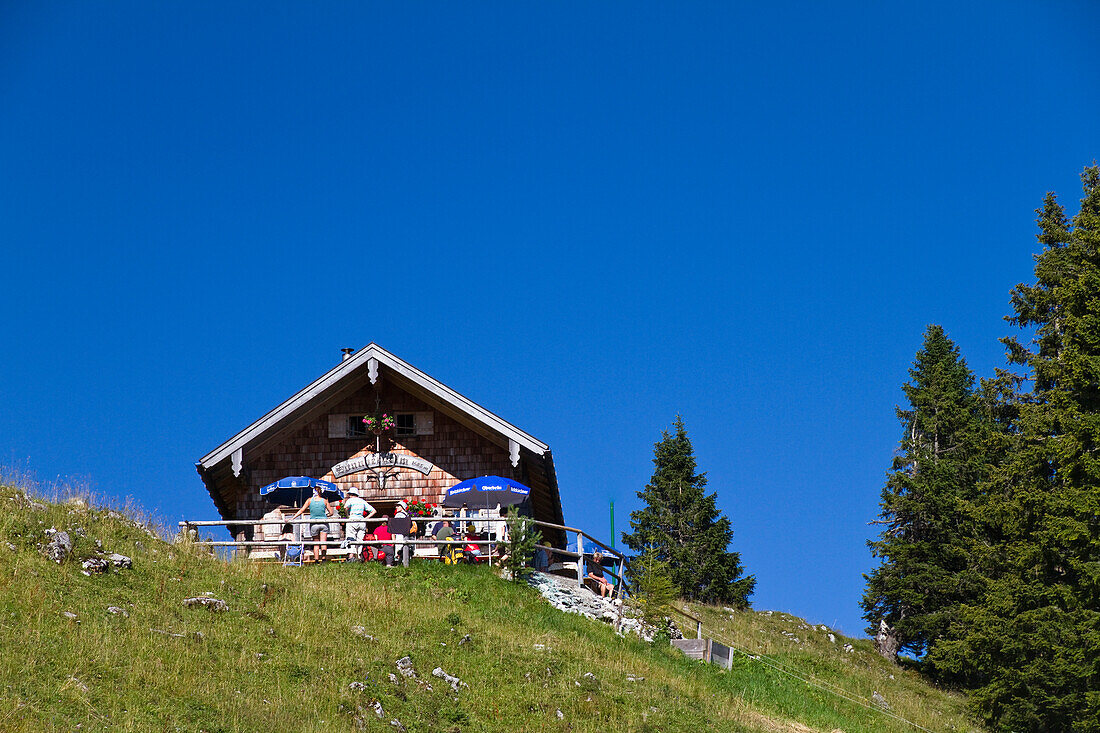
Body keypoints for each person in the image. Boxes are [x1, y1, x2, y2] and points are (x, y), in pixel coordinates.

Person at [290, 486, 333, 563]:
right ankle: (323, 559)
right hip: (323, 523)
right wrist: (326, 515)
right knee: (323, 542)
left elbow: (302, 510)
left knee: (316, 543)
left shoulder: (309, 500)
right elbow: (331, 512)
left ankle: (316, 560)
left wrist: (293, 518)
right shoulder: (325, 501)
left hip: (314, 524)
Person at [387, 500, 413, 568]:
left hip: (399, 534)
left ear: (402, 507)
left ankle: (400, 564)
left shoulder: (399, 515)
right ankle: (404, 563)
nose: (396, 507)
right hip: (405, 534)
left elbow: (395, 525)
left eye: (398, 506)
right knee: (405, 548)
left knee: (399, 549)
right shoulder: (407, 515)